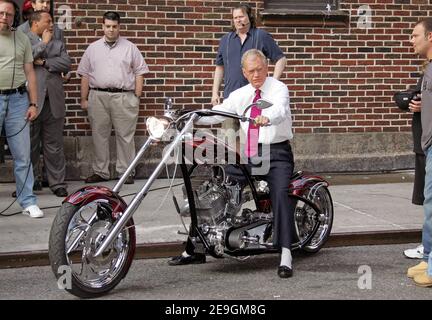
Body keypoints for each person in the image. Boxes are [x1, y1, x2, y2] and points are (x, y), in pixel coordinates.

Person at [169, 49, 295, 279]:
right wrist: (192, 116)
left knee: (280, 193)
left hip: (276, 153)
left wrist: (268, 117)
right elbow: (217, 113)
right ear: (244, 73)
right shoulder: (240, 94)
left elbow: (280, 109)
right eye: (251, 71)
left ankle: (285, 252)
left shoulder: (278, 88)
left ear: (266, 67)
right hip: (250, 152)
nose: (256, 74)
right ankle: (196, 246)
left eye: (260, 69)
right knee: (215, 183)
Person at [77, 11, 149, 184]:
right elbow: (85, 75)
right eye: (107, 26)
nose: (111, 30)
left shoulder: (130, 47)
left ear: (119, 27)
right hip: (98, 97)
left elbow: (140, 71)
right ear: (102, 26)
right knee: (99, 135)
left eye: (114, 26)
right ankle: (101, 172)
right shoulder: (92, 48)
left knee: (125, 136)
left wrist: (136, 96)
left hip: (124, 97)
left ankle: (125, 172)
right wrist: (84, 99)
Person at [212, 3, 286, 138]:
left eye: (241, 16)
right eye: (235, 18)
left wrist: (273, 83)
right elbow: (219, 66)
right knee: (230, 142)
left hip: (255, 101)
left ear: (249, 17)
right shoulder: (225, 40)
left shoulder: (261, 36)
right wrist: (214, 92)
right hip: (231, 100)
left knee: (254, 141)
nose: (238, 20)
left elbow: (280, 59)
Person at [0, 0, 43, 218]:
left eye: (8, 14)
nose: (4, 17)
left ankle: (28, 201)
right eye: (0, 13)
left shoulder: (22, 39)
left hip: (18, 100)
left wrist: (33, 103)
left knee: (22, 154)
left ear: (15, 17)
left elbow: (30, 73)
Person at [18, 0, 65, 191]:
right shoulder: (20, 32)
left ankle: (57, 183)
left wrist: (45, 62)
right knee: (29, 145)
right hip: (31, 98)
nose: (45, 4)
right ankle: (30, 183)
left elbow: (65, 61)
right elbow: (23, 59)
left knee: (54, 145)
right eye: (41, 1)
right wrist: (43, 43)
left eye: (48, 1)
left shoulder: (58, 32)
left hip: (52, 96)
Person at [407, 18, 432, 287]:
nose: (411, 40)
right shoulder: (428, 70)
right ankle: (427, 257)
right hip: (429, 145)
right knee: (429, 205)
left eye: (415, 35)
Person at [400, 75, 425, 259]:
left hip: (427, 144)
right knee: (427, 199)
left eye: (415, 41)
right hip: (423, 143)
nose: (411, 43)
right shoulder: (428, 70)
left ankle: (428, 247)